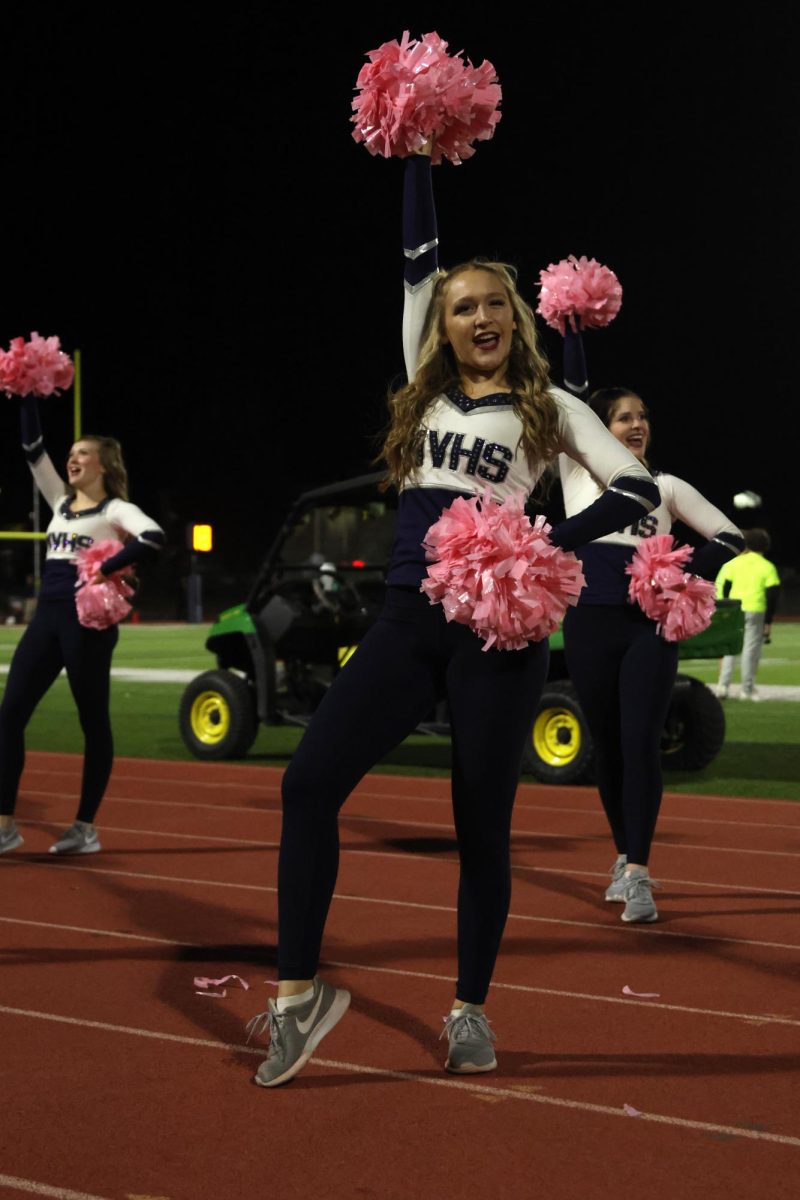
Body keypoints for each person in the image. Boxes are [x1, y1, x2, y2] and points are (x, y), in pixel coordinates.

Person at [247, 146, 661, 1089]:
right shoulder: (423, 386)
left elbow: (634, 485)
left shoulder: (551, 404)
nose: (478, 315)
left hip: (501, 640)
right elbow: (414, 256)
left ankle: (470, 1007)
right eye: (462, 305)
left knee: (482, 825)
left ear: (517, 319)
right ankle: (297, 995)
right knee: (308, 785)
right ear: (443, 322)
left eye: (493, 304)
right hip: (406, 619)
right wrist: (422, 151)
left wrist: (556, 533)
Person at [559, 327, 743, 923]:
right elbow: (573, 397)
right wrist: (571, 331)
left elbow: (730, 536)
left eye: (642, 417)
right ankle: (622, 856)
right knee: (608, 746)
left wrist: (681, 570)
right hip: (589, 623)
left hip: (650, 626)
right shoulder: (578, 472)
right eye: (621, 418)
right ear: (600, 430)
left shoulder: (664, 488)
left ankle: (638, 870)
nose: (636, 426)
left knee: (641, 740)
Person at [0, 396, 164, 856]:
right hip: (46, 615)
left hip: (86, 621)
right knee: (10, 714)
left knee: (92, 721)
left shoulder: (114, 511)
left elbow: (153, 537)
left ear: (104, 464)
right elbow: (33, 447)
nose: (72, 459)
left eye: (82, 453)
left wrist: (108, 567)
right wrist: (25, 390)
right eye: (70, 454)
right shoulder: (59, 502)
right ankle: (4, 824)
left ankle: (85, 826)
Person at [715, 528, 780, 701]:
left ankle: (723, 686)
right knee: (750, 650)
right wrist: (768, 621)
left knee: (730, 648)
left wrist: (726, 610)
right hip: (755, 609)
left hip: (734, 609)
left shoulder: (734, 563)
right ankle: (747, 689)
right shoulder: (767, 567)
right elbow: (772, 595)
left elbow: (725, 587)